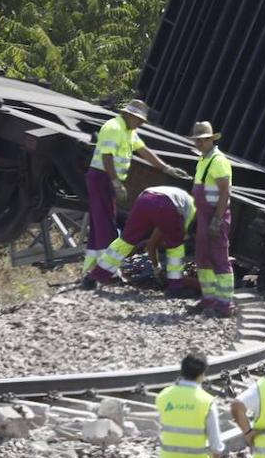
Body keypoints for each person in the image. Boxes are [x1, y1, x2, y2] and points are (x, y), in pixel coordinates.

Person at [82, 99, 182, 287]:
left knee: (100, 224)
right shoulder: (113, 127)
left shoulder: (129, 131)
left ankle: (92, 271)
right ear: (129, 115)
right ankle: (107, 272)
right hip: (102, 177)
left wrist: (165, 168)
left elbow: (143, 151)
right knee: (106, 225)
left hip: (105, 179)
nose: (142, 123)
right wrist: (115, 182)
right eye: (139, 119)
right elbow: (107, 156)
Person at [86, 185, 196, 296]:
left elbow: (154, 242)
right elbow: (173, 239)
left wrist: (156, 267)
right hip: (166, 204)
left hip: (145, 200)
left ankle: (94, 277)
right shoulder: (191, 214)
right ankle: (175, 288)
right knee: (175, 248)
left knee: (125, 241)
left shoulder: (185, 203)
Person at [190, 121, 235, 315]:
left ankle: (225, 304)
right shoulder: (203, 160)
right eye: (196, 140)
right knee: (203, 258)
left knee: (219, 259)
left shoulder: (218, 160)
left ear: (210, 139)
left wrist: (217, 221)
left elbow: (224, 192)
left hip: (215, 216)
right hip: (203, 216)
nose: (198, 143)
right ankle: (208, 299)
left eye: (202, 140)